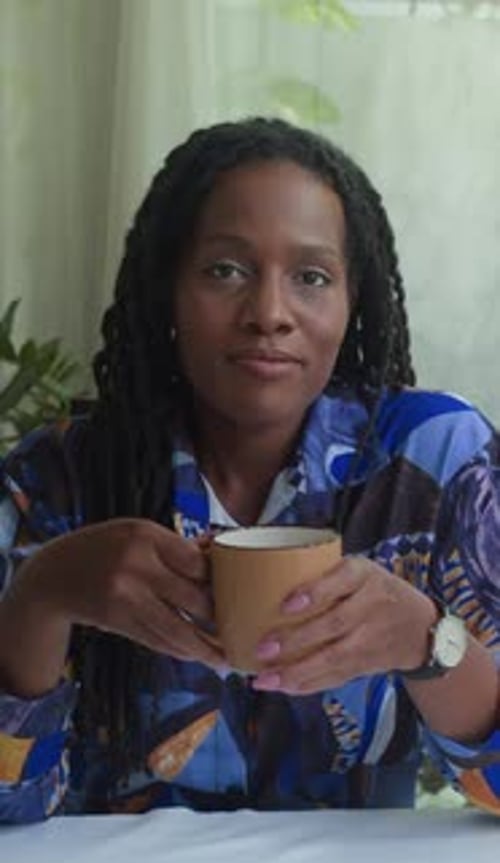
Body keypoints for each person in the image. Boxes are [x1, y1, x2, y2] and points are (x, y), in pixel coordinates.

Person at [1, 118, 500, 824]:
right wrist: (41, 593)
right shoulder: (58, 477)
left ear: (352, 303)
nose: (269, 313)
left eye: (312, 277)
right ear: (167, 290)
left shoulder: (436, 459)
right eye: (225, 270)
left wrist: (427, 640)